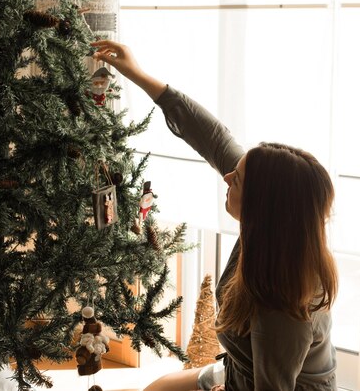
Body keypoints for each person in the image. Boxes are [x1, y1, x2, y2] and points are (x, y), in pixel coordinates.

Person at [91, 40, 339, 391]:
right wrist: (138, 74)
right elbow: (212, 136)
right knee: (155, 388)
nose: (226, 177)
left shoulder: (282, 307)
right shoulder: (278, 231)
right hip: (239, 370)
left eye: (235, 179)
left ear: (261, 207)